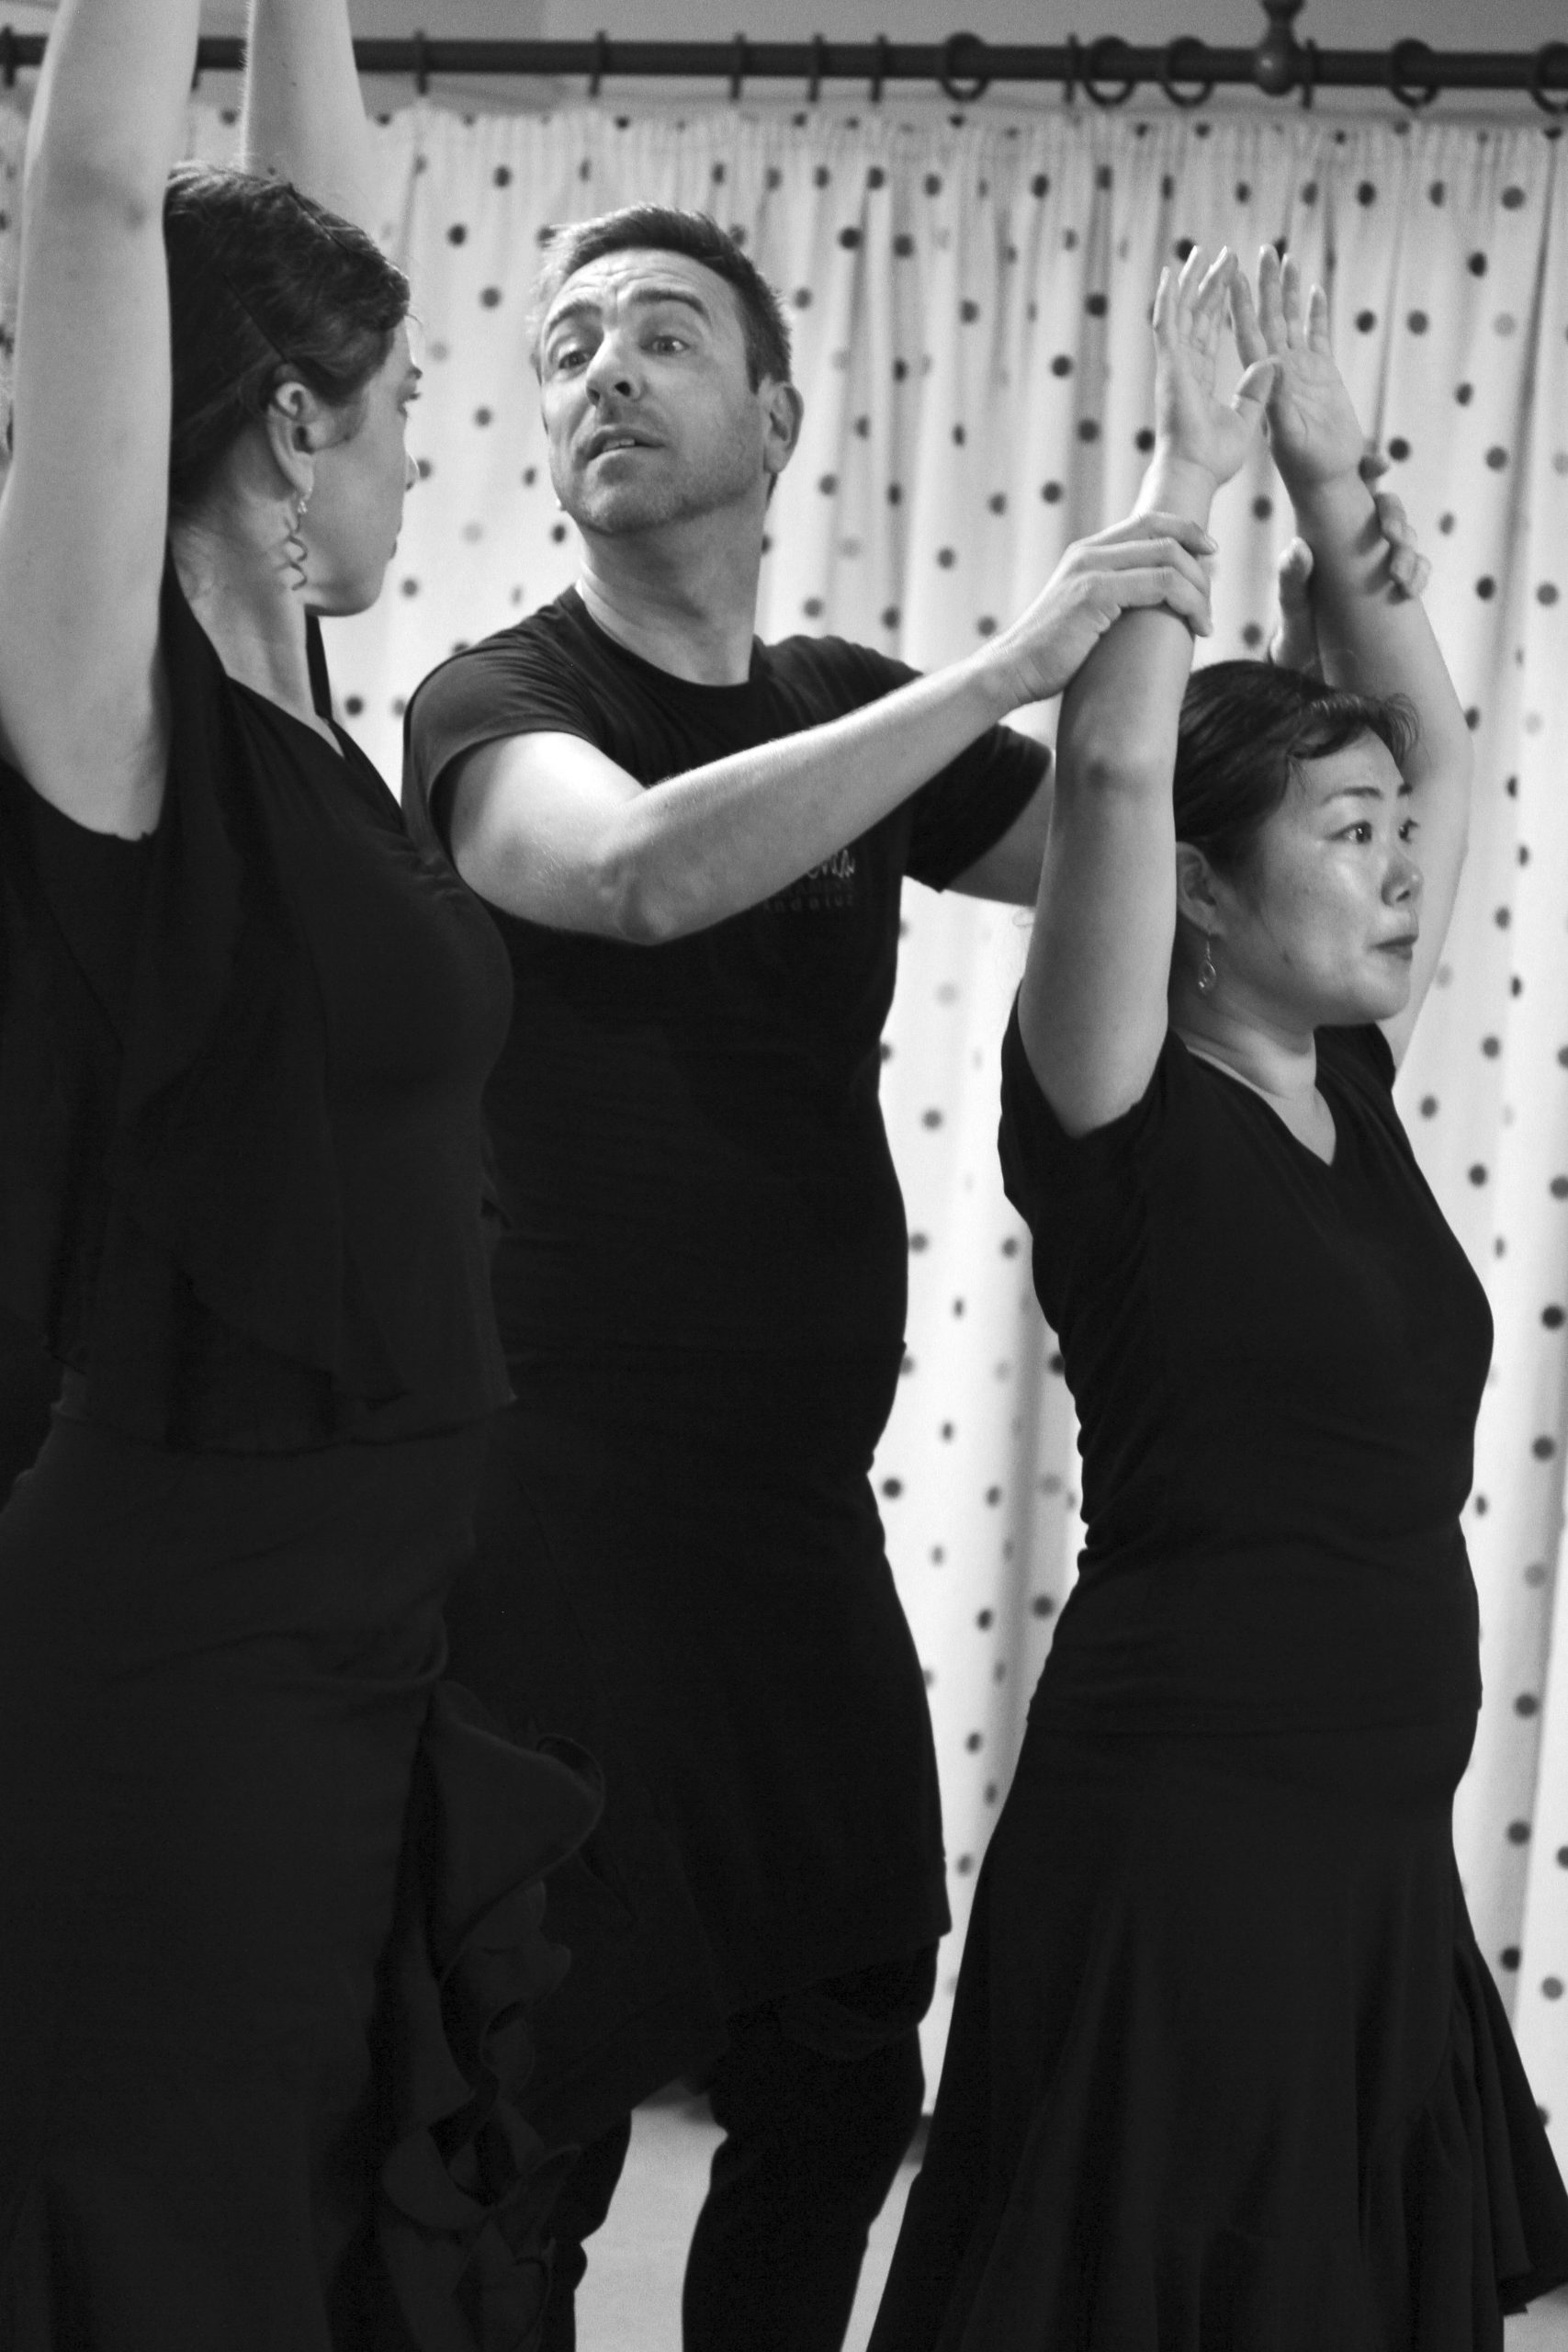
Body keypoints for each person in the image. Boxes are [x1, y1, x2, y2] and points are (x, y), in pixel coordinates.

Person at [399, 206, 1417, 2351]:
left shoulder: (840, 709)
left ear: (776, 417)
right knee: (535, 2103)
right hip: (552, 1514)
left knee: (843, 2062)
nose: (601, 368)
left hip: (788, 1519)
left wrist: (1294, 516)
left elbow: (1149, 838)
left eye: (661, 332)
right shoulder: (496, 701)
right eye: (564, 343)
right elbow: (635, 870)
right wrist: (1010, 660)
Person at [867, 243, 1568, 2348]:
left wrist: (1332, 477)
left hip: (1368, 1830)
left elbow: (1435, 737)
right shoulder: (1111, 1097)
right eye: (1343, 832)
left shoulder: (1342, 1068)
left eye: (1389, 834)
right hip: (1191, 1820)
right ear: (1196, 883)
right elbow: (1106, 779)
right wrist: (1180, 472)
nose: (1396, 864)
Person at [0, 4, 597, 2345]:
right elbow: (90, 199)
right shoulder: (110, 718)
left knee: (318, 2204)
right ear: (284, 434)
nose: (425, 458)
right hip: (191, 1633)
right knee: (184, 2222)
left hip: (370, 1617)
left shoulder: (307, 712)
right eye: (403, 409)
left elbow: (311, 229)